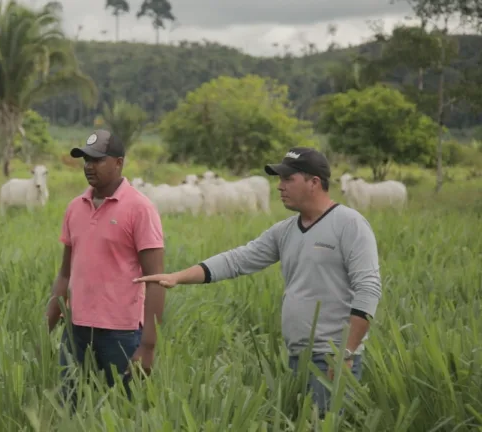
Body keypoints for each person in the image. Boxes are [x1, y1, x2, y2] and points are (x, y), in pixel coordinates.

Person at [133, 147, 382, 417]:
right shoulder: (285, 231)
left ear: (314, 183)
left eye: (288, 179)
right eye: (279, 179)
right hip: (298, 355)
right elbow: (236, 260)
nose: (280, 186)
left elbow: (368, 289)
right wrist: (177, 277)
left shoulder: (349, 224)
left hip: (333, 358)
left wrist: (346, 352)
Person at [45, 129, 166, 407]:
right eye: (85, 159)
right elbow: (66, 272)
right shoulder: (75, 207)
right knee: (70, 406)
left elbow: (155, 279)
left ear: (118, 162)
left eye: (97, 159)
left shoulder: (140, 208)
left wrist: (148, 345)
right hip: (76, 329)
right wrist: (49, 322)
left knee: (124, 409)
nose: (89, 166)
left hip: (121, 332)